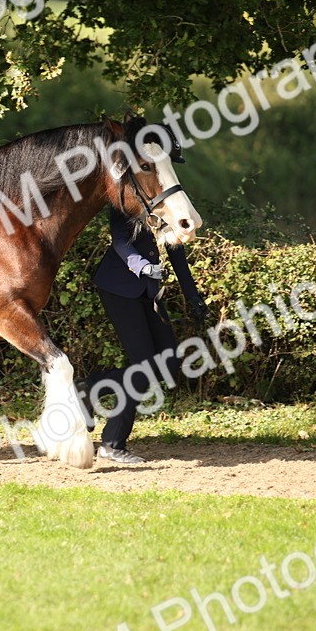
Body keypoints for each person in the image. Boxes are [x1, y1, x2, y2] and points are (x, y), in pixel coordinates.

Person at [78, 127, 207, 464]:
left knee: (167, 362)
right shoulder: (126, 195)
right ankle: (113, 443)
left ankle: (92, 388)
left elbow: (177, 251)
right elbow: (119, 241)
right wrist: (140, 266)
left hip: (149, 293)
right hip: (120, 288)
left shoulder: (164, 202)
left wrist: (193, 296)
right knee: (143, 368)